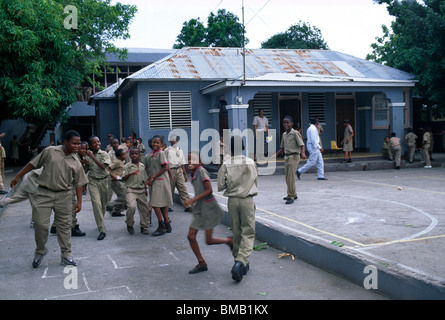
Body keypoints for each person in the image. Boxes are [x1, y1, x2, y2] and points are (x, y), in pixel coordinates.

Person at [10, 130, 88, 268]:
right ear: (65, 142)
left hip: (64, 196)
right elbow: (33, 164)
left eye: (79, 144)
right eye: (74, 143)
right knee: (40, 224)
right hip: (44, 193)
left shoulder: (76, 161)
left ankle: (66, 255)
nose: (77, 146)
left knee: (64, 227)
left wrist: (79, 202)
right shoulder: (50, 151)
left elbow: (79, 183)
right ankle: (40, 251)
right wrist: (18, 176)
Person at [217, 135, 258, 283]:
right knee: (248, 231)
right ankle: (241, 261)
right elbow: (255, 180)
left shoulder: (226, 164)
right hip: (247, 199)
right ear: (243, 147)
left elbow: (220, 185)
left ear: (230, 148)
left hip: (232, 200)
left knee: (236, 231)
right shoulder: (250, 162)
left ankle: (239, 261)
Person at [184, 151, 232, 274]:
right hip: (200, 208)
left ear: (199, 162)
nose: (190, 161)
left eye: (193, 159)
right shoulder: (194, 173)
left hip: (209, 207)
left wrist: (193, 200)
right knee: (192, 236)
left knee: (207, 240)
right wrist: (194, 205)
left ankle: (229, 241)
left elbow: (209, 190)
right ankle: (202, 263)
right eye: (188, 159)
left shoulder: (201, 171)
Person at [144, 135, 173, 236]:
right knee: (160, 204)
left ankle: (161, 226)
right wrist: (148, 179)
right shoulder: (150, 154)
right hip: (154, 182)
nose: (155, 144)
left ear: (161, 144)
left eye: (157, 143)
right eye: (154, 142)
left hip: (160, 181)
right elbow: (147, 168)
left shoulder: (161, 153)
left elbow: (165, 167)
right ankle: (167, 224)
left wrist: (153, 177)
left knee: (156, 203)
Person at [274, 116, 306, 204]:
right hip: (287, 157)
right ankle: (293, 194)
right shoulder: (284, 135)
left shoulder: (295, 133)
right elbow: (282, 148)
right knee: (287, 177)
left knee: (290, 177)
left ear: (292, 123)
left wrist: (303, 153)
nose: (286, 124)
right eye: (284, 123)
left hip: (294, 156)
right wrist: (276, 154)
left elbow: (302, 145)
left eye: (288, 122)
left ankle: (291, 196)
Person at [86, 136, 111, 240]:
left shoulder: (104, 154)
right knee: (96, 204)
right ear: (90, 145)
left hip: (104, 181)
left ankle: (100, 221)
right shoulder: (87, 156)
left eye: (98, 141)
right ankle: (102, 229)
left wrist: (92, 157)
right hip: (93, 182)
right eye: (94, 142)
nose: (97, 143)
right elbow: (85, 170)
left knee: (103, 204)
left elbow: (103, 167)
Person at [122, 148, 150, 235]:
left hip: (141, 190)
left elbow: (144, 179)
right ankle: (129, 224)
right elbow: (122, 178)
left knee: (144, 209)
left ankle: (144, 226)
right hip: (131, 190)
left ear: (139, 155)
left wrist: (145, 189)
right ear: (129, 155)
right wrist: (130, 174)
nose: (134, 155)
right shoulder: (127, 166)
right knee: (131, 207)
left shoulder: (142, 166)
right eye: (132, 154)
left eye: (136, 153)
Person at [165, 134, 191, 212]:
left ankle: (187, 205)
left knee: (182, 188)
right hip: (170, 170)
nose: (175, 141)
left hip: (179, 170)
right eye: (173, 139)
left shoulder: (180, 150)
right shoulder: (167, 150)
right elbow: (165, 163)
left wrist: (185, 175)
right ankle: (168, 205)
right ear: (170, 141)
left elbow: (182, 163)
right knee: (170, 188)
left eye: (176, 140)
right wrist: (168, 174)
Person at [107, 149, 127, 217]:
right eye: (123, 154)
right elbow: (108, 168)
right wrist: (113, 176)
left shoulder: (121, 161)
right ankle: (110, 205)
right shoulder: (117, 161)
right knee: (124, 198)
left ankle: (116, 211)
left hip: (120, 181)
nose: (125, 156)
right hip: (116, 182)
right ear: (119, 156)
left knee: (122, 197)